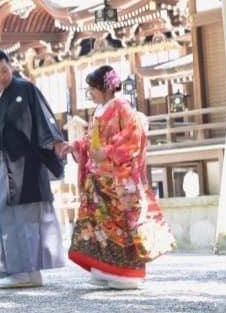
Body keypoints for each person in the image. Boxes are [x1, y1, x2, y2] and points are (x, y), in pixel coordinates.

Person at [67, 65, 175, 289]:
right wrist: (76, 146)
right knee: (100, 225)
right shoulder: (100, 110)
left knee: (121, 224)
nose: (91, 94)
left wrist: (105, 152)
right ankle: (104, 267)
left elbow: (132, 136)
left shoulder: (122, 108)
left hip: (117, 179)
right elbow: (90, 140)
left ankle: (127, 272)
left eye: (93, 89)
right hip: (98, 178)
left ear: (105, 88)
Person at [0, 48, 66, 288]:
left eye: (5, 70)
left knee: (27, 216)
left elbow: (42, 119)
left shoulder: (25, 89)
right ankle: (19, 271)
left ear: (11, 67)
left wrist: (55, 141)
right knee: (6, 217)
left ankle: (29, 271)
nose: (2, 77)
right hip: (0, 165)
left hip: (26, 164)